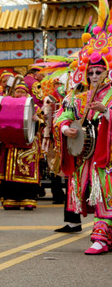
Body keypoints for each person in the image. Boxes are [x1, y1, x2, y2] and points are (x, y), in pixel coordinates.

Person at [54, 59, 112, 254]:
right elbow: (63, 115)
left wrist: (106, 112)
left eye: (98, 72)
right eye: (91, 73)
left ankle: (100, 237)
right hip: (88, 155)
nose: (94, 76)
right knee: (95, 195)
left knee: (106, 194)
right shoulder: (78, 98)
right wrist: (65, 127)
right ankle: (102, 237)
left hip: (107, 153)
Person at [0, 81, 42, 210]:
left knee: (27, 171)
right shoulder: (7, 106)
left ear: (28, 94)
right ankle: (11, 199)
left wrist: (36, 120)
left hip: (29, 145)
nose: (20, 94)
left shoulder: (35, 108)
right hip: (12, 145)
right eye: (17, 91)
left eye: (23, 92)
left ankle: (28, 199)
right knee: (10, 171)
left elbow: (42, 122)